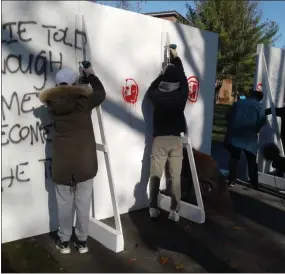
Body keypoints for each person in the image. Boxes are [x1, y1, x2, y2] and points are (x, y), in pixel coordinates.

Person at [38, 64, 106, 254]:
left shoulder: (51, 107)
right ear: (74, 83)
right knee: (83, 203)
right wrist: (91, 75)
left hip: (62, 165)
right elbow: (100, 93)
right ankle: (82, 242)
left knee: (64, 205)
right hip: (85, 163)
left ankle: (64, 241)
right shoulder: (83, 103)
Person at [146, 46, 188, 222]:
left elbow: (151, 88)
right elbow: (184, 79)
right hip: (176, 140)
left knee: (156, 175)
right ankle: (175, 211)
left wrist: (162, 74)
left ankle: (153, 207)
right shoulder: (180, 96)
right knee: (175, 177)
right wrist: (176, 59)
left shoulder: (156, 96)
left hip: (159, 140)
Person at [224, 90, 266, 189]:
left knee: (234, 158)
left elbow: (227, 117)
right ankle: (254, 182)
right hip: (249, 137)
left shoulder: (237, 103)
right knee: (251, 160)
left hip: (234, 135)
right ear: (259, 99)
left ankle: (231, 180)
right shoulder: (259, 106)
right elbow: (262, 121)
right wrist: (256, 129)